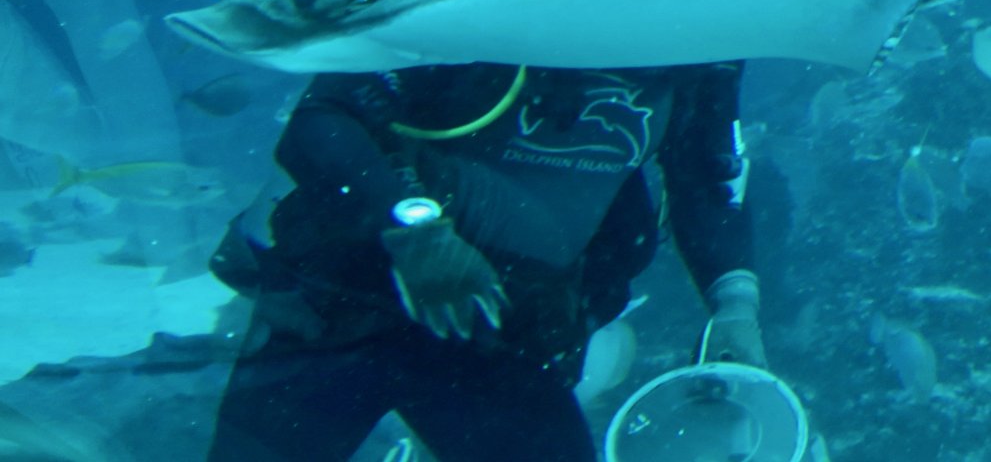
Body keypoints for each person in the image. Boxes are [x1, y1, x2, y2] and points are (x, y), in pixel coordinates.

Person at [205, 56, 765, 462]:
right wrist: (413, 230)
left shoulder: (704, 46)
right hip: (350, 304)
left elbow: (703, 178)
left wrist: (734, 303)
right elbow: (321, 120)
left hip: (505, 326)